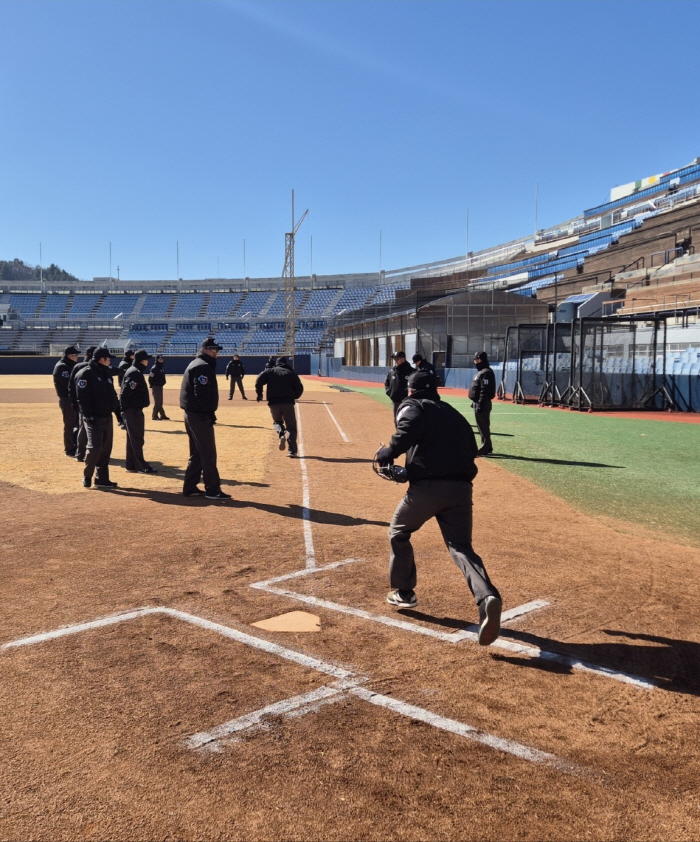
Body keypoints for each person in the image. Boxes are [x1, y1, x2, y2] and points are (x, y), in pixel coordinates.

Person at [375, 368, 502, 646]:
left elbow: (407, 430)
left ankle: (405, 592)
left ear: (411, 390)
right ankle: (487, 596)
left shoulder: (413, 405)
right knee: (461, 548)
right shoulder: (453, 413)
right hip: (461, 490)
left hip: (428, 490)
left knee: (399, 532)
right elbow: (472, 449)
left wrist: (389, 452)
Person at [179, 337, 231, 499]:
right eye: (213, 350)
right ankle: (212, 489)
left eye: (217, 351)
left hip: (192, 413)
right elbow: (201, 393)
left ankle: (190, 487)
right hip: (199, 415)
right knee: (208, 453)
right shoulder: (202, 367)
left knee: (198, 453)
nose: (216, 353)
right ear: (204, 350)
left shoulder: (197, 364)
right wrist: (209, 412)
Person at [75, 346, 119, 489]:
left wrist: (118, 414)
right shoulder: (86, 374)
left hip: (107, 416)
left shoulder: (106, 373)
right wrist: (88, 416)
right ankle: (87, 475)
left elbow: (113, 395)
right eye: (108, 359)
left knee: (106, 449)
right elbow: (82, 398)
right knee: (95, 448)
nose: (110, 362)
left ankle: (102, 479)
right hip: (94, 418)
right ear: (102, 359)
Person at [255, 355, 304, 457]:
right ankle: (292, 451)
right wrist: (294, 396)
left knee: (277, 422)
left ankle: (281, 433)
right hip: (288, 403)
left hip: (274, 403)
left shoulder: (270, 371)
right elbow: (299, 387)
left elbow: (258, 380)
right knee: (291, 427)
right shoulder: (291, 373)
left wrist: (259, 394)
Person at [120, 349, 157, 474]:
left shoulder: (134, 371)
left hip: (132, 409)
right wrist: (124, 410)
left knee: (132, 439)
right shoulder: (135, 373)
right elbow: (126, 393)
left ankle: (131, 464)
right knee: (137, 439)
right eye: (147, 360)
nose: (148, 362)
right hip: (133, 410)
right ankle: (140, 465)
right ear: (142, 361)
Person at [69, 345, 97, 462]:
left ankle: (80, 453)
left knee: (83, 429)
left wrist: (74, 402)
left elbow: (71, 386)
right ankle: (94, 452)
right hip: (94, 403)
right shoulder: (95, 367)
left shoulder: (77, 367)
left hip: (82, 402)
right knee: (94, 430)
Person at [52, 345, 79, 456]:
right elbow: (69, 384)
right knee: (69, 424)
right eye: (76, 355)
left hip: (73, 399)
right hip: (67, 399)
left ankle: (77, 445)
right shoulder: (62, 367)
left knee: (77, 423)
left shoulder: (70, 365)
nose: (77, 357)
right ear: (70, 356)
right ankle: (69, 449)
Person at [469, 351, 496, 456]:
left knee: (483, 426)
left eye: (476, 359)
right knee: (481, 426)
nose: (475, 361)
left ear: (480, 359)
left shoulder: (486, 372)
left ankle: (485, 447)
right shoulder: (482, 371)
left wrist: (480, 403)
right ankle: (488, 447)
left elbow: (484, 390)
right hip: (479, 402)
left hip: (483, 403)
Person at [384, 351, 414, 420]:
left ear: (403, 359)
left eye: (397, 359)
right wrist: (390, 393)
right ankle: (398, 431)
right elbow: (387, 383)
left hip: (407, 401)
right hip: (396, 400)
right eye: (394, 359)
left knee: (408, 419)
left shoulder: (411, 371)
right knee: (396, 419)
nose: (395, 361)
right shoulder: (392, 371)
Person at [148, 354, 170, 420]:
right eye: (160, 359)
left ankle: (162, 415)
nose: (161, 360)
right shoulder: (154, 368)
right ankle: (154, 416)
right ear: (157, 360)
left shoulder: (160, 367)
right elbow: (150, 378)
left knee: (160, 402)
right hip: (156, 386)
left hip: (160, 386)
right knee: (157, 402)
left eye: (162, 359)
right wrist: (152, 385)